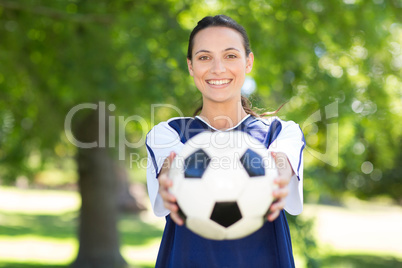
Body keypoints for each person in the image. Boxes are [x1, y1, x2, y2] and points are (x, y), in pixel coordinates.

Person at [145, 15, 305, 268]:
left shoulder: (280, 131)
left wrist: (281, 175)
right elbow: (172, 163)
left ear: (248, 62)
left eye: (230, 55)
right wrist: (168, 179)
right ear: (190, 66)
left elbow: (281, 159)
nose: (217, 68)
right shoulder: (169, 133)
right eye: (204, 57)